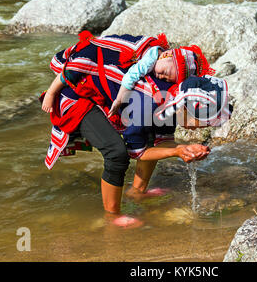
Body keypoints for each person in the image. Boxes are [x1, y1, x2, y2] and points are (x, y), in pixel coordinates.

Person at [40, 31, 231, 228]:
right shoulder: (148, 100)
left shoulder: (172, 95)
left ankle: (137, 192)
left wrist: (185, 148)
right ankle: (111, 217)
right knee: (116, 153)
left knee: (151, 134)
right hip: (77, 94)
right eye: (196, 121)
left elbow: (161, 141)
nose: (194, 127)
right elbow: (137, 152)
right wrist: (177, 151)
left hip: (108, 92)